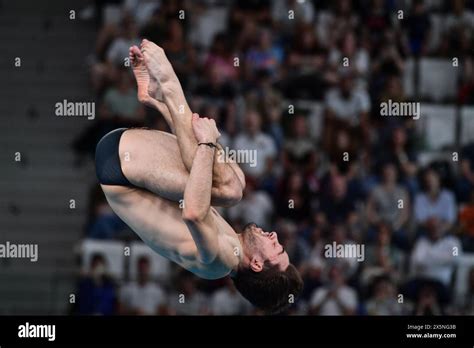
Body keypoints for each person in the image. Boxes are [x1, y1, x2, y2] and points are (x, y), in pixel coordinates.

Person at [95, 40, 303, 314]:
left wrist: (207, 144)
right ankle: (160, 99)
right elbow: (193, 178)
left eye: (276, 249)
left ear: (256, 265)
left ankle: (168, 84)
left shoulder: (219, 262)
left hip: (119, 168)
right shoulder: (233, 246)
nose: (275, 236)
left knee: (229, 189)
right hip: (130, 161)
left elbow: (193, 212)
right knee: (235, 183)